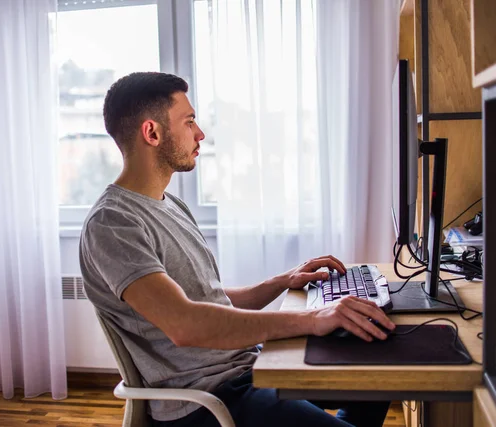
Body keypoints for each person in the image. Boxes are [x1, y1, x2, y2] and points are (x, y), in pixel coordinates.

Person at [79, 72, 395, 427]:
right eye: (189, 122)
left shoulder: (171, 206)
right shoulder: (113, 224)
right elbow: (186, 324)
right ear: (152, 133)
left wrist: (282, 281)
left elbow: (209, 302)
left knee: (378, 367)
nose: (200, 134)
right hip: (209, 401)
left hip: (247, 369)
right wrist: (312, 320)